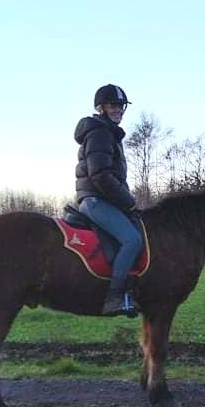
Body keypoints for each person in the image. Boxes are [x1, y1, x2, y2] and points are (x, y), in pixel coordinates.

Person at [74, 84, 143, 317]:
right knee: (132, 240)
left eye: (121, 106)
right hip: (96, 199)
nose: (119, 110)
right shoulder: (100, 132)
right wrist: (129, 202)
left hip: (102, 199)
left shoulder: (108, 133)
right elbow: (101, 175)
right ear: (101, 108)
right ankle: (114, 297)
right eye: (114, 105)